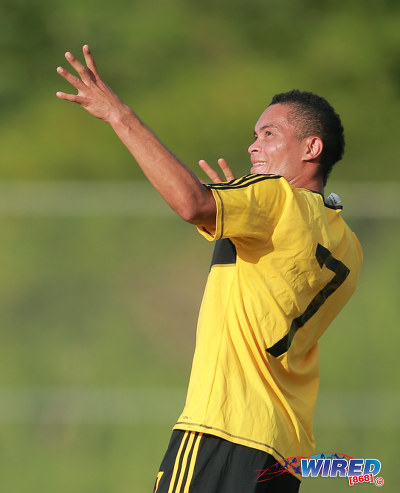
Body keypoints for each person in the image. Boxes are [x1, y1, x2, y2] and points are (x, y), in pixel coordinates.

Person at [56, 45, 363, 492]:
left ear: (311, 147)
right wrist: (238, 217)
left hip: (221, 432)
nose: (254, 145)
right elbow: (272, 281)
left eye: (270, 134)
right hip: (284, 455)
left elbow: (192, 202)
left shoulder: (277, 198)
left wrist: (119, 115)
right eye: (255, 135)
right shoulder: (348, 245)